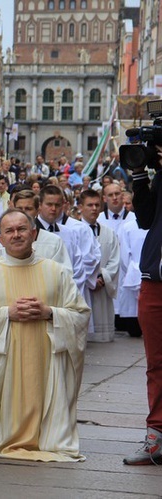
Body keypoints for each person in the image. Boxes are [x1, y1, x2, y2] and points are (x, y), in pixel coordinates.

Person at [0, 209, 90, 462]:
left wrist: (50, 312)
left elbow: (80, 313)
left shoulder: (56, 272)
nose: (16, 235)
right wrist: (5, 314)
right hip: (3, 362)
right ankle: (3, 434)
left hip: (46, 361)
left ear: (34, 233)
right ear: (0, 240)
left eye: (22, 229)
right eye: (9, 231)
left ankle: (45, 436)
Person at [122, 149, 162, 464]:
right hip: (154, 281)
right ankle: (157, 437)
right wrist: (139, 176)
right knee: (156, 363)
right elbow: (146, 218)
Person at [0, 189, 72, 270]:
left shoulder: (54, 242)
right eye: (19, 208)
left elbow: (63, 275)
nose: (23, 212)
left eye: (28, 208)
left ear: (38, 211)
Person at [78, 189, 121, 343]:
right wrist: (90, 279)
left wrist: (102, 276)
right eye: (90, 205)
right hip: (83, 287)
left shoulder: (109, 232)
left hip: (102, 286)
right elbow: (73, 261)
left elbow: (115, 259)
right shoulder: (73, 231)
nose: (94, 208)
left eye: (97, 205)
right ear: (80, 207)